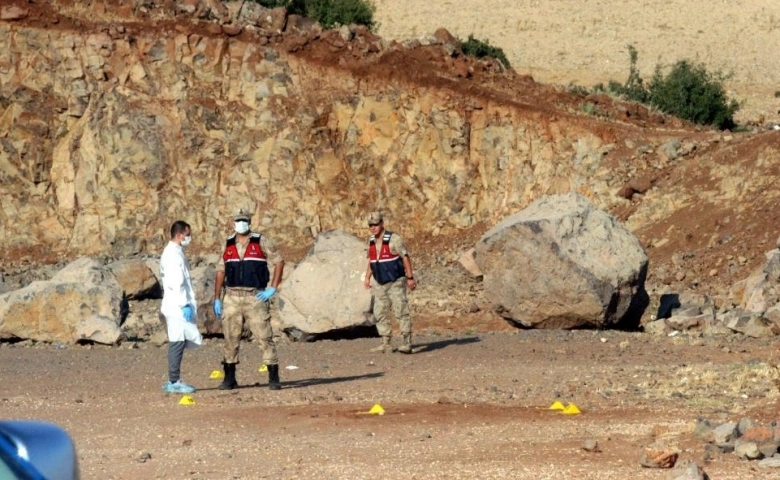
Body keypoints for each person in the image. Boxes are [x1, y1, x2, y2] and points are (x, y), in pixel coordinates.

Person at [213, 207, 285, 390]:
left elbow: (279, 261)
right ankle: (229, 377)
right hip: (232, 296)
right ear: (233, 222)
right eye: (237, 220)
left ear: (249, 222)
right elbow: (221, 270)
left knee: (264, 336)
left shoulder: (261, 241)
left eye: (243, 220)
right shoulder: (228, 243)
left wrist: (273, 288)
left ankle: (273, 376)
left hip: (255, 296)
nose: (240, 224)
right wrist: (217, 297)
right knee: (230, 338)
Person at [363, 211, 417, 354]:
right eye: (370, 225)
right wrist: (367, 277)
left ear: (381, 224)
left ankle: (407, 342)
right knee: (380, 312)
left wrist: (410, 278)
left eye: (375, 224)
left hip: (396, 281)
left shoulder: (394, 239)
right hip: (379, 283)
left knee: (401, 310)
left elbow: (405, 257)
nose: (373, 227)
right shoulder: (371, 241)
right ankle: (386, 342)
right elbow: (371, 260)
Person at [159, 220, 203, 394]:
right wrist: (184, 303)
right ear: (179, 235)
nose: (189, 238)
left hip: (175, 303)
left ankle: (174, 378)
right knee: (177, 341)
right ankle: (174, 380)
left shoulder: (174, 252)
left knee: (181, 340)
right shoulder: (173, 255)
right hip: (177, 305)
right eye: (187, 235)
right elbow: (176, 283)